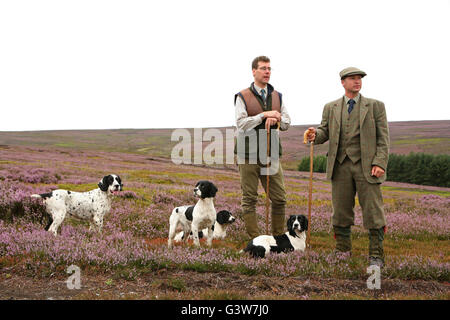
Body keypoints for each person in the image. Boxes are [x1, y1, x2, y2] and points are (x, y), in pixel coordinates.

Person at [305, 67, 389, 267]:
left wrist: (380, 163)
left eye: (359, 78)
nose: (357, 81)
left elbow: (383, 139)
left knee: (373, 212)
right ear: (343, 82)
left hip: (367, 167)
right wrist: (315, 135)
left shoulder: (376, 106)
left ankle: (376, 255)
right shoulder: (330, 107)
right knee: (341, 212)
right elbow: (324, 132)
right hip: (340, 166)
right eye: (353, 78)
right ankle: (342, 253)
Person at [234, 56, 291, 239]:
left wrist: (278, 118)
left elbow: (287, 122)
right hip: (247, 153)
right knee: (249, 199)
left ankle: (278, 239)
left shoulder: (277, 96)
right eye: (263, 68)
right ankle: (256, 240)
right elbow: (241, 123)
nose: (267, 71)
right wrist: (264, 115)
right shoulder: (242, 96)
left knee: (279, 199)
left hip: (271, 153)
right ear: (254, 71)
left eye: (269, 68)